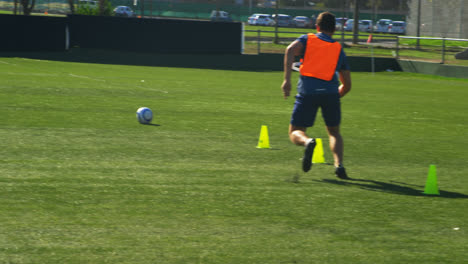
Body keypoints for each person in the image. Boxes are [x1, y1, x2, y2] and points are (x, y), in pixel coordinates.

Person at [281, 11, 352, 179]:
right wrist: (336, 95)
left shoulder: (308, 39)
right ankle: (339, 165)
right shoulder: (338, 48)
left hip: (308, 93)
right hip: (331, 95)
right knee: (334, 132)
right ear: (334, 29)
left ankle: (308, 142)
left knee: (296, 131)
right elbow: (347, 84)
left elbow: (290, 49)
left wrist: (287, 80)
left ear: (317, 27)